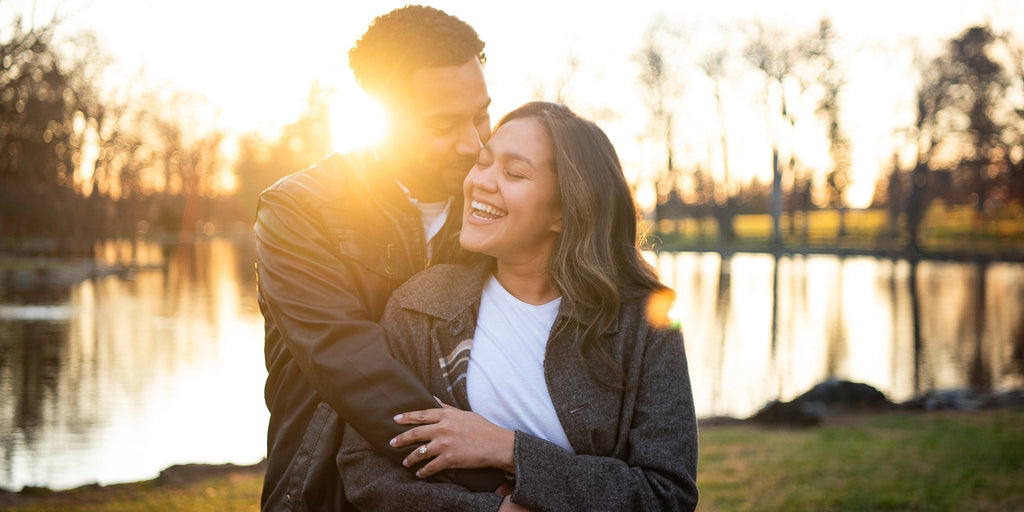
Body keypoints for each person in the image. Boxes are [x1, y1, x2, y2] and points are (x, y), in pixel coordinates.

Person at [338, 102, 700, 511]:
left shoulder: (645, 322)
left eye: (513, 173)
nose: (481, 182)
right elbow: (365, 470)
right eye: (482, 162)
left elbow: (667, 494)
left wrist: (508, 449)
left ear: (564, 210)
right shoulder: (419, 306)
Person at [254, 5, 504, 510]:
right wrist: (495, 476)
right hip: (325, 489)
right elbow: (349, 360)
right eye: (443, 124)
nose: (473, 143)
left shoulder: (501, 207)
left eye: (481, 115)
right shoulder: (297, 210)